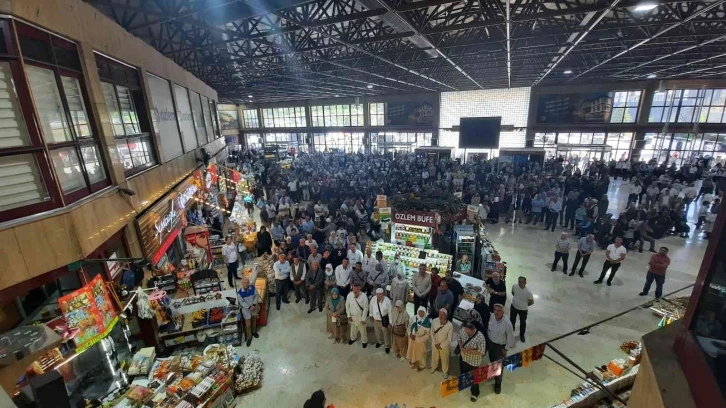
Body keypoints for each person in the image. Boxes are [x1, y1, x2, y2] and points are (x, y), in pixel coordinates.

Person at [487, 304, 516, 395]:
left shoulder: (507, 324)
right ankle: (493, 373)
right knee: (492, 361)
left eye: (498, 310)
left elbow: (511, 339)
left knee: (499, 366)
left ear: (503, 312)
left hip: (500, 347)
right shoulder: (491, 317)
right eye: (495, 309)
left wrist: (505, 349)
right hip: (491, 344)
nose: (496, 312)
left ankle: (498, 383)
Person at [457, 321, 487, 402]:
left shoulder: (480, 337)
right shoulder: (463, 330)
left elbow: (482, 352)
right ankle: (465, 383)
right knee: (463, 373)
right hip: (463, 358)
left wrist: (470, 351)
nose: (466, 332)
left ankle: (475, 393)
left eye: (467, 331)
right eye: (465, 330)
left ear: (473, 329)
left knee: (474, 378)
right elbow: (459, 338)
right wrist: (460, 345)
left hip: (473, 362)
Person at [430, 309, 454, 379]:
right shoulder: (434, 321)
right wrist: (435, 342)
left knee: (445, 358)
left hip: (444, 346)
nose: (441, 315)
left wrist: (441, 345)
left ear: (446, 316)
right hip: (435, 343)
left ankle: (445, 371)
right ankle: (434, 367)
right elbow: (431, 332)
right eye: (440, 314)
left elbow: (449, 339)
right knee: (434, 356)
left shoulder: (450, 325)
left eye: (443, 314)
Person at [406, 306, 431, 372]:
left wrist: (418, 339)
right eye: (420, 312)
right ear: (417, 312)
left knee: (421, 353)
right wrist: (410, 334)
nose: (421, 313)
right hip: (412, 338)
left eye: (423, 312)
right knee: (412, 351)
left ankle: (421, 365)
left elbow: (427, 335)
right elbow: (409, 327)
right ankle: (413, 361)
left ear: (425, 313)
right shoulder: (413, 318)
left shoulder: (427, 322)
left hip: (421, 341)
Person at [510, 277, 534, 343]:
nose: (520, 283)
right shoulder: (514, 286)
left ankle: (522, 335)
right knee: (512, 320)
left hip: (523, 310)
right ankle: (511, 331)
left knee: (523, 322)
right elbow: (513, 292)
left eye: (522, 282)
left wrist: (524, 305)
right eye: (519, 281)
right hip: (514, 306)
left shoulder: (528, 292)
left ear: (525, 283)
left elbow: (532, 302)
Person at [237, 277, 259, 347]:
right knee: (248, 325)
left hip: (254, 308)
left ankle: (254, 332)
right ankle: (249, 337)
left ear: (249, 283)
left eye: (247, 282)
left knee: (254, 321)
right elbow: (241, 302)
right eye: (244, 283)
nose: (246, 284)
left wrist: (254, 304)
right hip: (246, 310)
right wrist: (249, 307)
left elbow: (256, 296)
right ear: (242, 284)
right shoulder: (240, 293)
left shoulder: (253, 288)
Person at [369, 288, 392, 353]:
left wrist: (390, 322)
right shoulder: (373, 299)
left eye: (380, 294)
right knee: (377, 332)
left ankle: (387, 346)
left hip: (384, 320)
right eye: (377, 294)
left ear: (383, 294)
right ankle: (380, 342)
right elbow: (371, 307)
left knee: (386, 334)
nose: (378, 296)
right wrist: (371, 315)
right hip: (376, 320)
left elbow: (390, 312)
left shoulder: (387, 301)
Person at [346, 283, 369, 348]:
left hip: (361, 316)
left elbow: (366, 308)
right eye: (354, 289)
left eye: (357, 289)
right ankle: (353, 338)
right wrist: (348, 315)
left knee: (363, 330)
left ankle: (364, 341)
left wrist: (364, 319)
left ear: (359, 289)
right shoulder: (349, 295)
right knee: (353, 329)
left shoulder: (364, 296)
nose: (355, 290)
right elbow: (347, 306)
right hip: (352, 316)